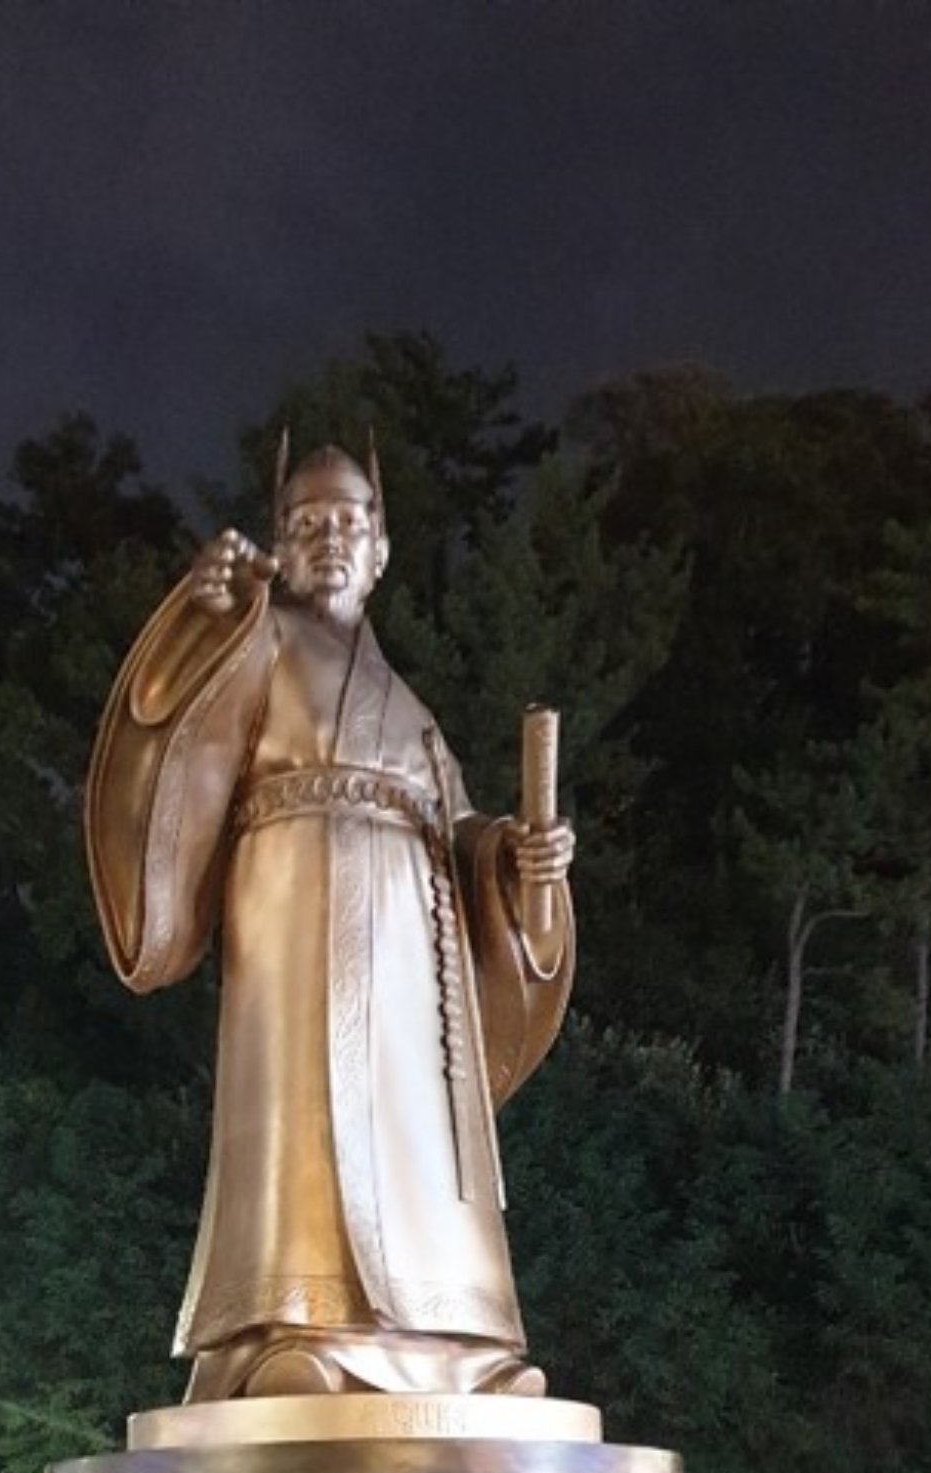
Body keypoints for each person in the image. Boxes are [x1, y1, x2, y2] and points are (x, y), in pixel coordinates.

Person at [83, 442, 576, 1402]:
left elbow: (460, 832)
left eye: (349, 522)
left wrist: (516, 861)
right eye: (307, 524)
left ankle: (457, 1350)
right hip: (294, 907)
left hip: (414, 945)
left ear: (382, 549)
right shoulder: (261, 638)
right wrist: (202, 612)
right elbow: (168, 714)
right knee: (300, 1108)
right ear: (280, 544)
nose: (330, 540)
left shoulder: (413, 712)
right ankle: (285, 1329)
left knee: (414, 1133)